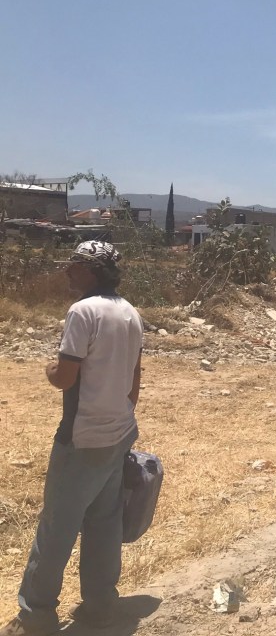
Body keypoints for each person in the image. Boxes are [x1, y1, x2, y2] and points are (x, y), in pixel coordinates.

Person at [3, 241, 143, 636]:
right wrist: (119, 413)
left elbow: (65, 378)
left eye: (75, 265)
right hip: (119, 432)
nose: (67, 271)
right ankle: (100, 606)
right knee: (104, 523)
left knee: (57, 527)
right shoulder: (130, 312)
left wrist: (50, 369)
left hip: (81, 438)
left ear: (93, 270)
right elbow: (135, 377)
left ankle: (36, 615)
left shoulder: (82, 311)